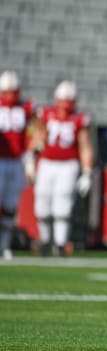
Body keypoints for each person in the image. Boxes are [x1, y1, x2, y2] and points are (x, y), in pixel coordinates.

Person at [33, 80, 94, 257]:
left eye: (69, 101)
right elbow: (39, 137)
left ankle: (59, 244)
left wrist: (87, 172)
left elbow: (85, 146)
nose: (65, 105)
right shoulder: (47, 114)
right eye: (63, 100)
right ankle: (44, 241)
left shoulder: (78, 119)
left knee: (63, 203)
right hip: (47, 163)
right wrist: (31, 158)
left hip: (68, 164)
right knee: (42, 201)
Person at [0, 70, 34, 260]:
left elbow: (36, 131)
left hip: (17, 161)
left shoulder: (26, 108)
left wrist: (30, 156)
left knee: (11, 206)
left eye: (14, 91)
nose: (11, 95)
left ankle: (5, 245)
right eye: (7, 91)